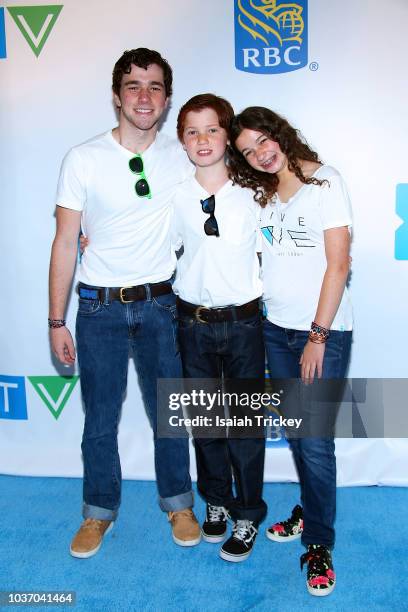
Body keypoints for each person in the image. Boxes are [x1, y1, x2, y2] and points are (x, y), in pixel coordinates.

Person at [49, 48, 200, 559]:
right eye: (133, 85)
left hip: (161, 304)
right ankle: (98, 512)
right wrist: (55, 319)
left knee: (171, 415)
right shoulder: (83, 157)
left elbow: (240, 179)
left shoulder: (184, 155)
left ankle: (179, 503)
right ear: (116, 95)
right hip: (98, 310)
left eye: (155, 87)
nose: (144, 95)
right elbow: (66, 241)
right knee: (100, 419)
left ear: (166, 99)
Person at [229, 107, 352, 594]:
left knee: (316, 442)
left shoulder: (325, 183)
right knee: (301, 438)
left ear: (278, 133)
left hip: (319, 334)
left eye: (262, 140)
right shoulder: (263, 197)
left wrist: (317, 337)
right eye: (248, 150)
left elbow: (338, 266)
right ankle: (309, 510)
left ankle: (319, 543)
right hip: (273, 330)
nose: (260, 153)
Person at [172, 94, 267, 562]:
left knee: (245, 426)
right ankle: (215, 501)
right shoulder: (175, 195)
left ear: (227, 135)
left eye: (212, 129)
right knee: (206, 425)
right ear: (182, 141)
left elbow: (285, 247)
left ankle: (248, 512)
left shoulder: (255, 194)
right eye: (192, 131)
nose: (202, 140)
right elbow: (153, 246)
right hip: (192, 323)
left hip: (245, 323)